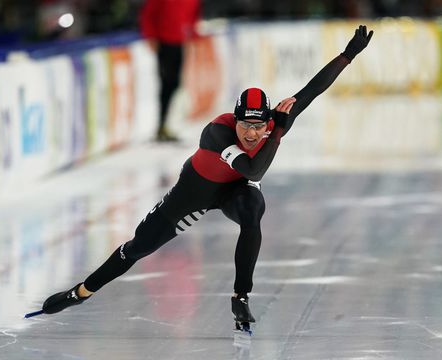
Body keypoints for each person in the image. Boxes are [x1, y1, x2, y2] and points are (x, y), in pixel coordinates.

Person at [40, 25, 374, 327]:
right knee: (138, 248)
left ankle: (240, 297)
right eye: (246, 126)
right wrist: (277, 135)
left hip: (234, 190)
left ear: (266, 120)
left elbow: (312, 89)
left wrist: (348, 55)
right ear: (236, 119)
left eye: (260, 127)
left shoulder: (273, 122)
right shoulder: (217, 132)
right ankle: (81, 292)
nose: (253, 134)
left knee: (253, 212)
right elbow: (254, 168)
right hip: (193, 193)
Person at [139, 0, 201, 142]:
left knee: (175, 83)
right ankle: (162, 125)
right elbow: (148, 14)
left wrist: (193, 33)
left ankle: (166, 125)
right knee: (167, 83)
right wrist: (150, 36)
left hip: (179, 42)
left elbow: (192, 14)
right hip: (164, 42)